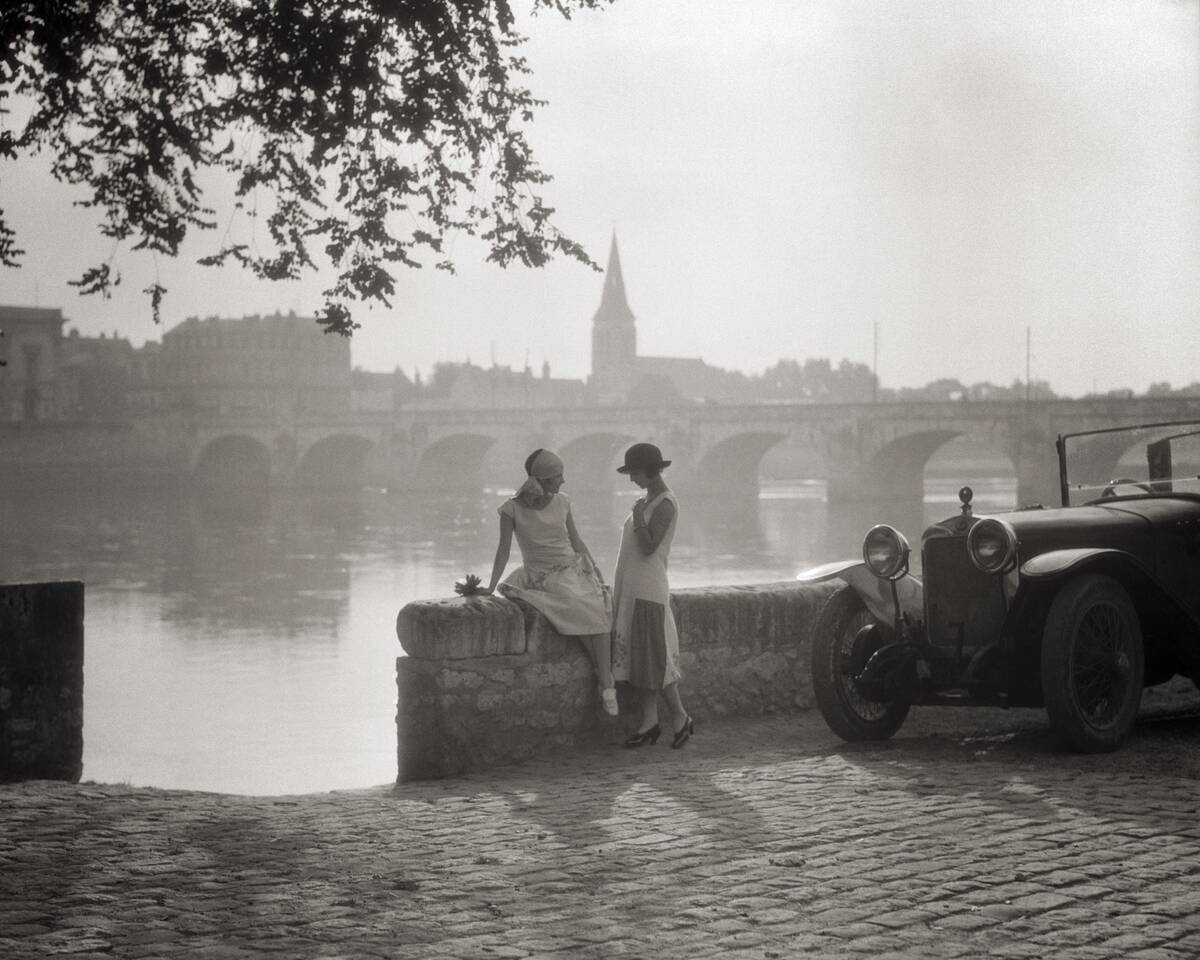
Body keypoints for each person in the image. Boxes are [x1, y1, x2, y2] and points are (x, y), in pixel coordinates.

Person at [482, 448, 618, 716]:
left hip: (573, 569)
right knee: (583, 606)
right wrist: (490, 585)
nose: (563, 481)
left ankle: (604, 680)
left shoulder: (563, 501)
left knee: (598, 608)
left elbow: (576, 541)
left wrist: (596, 570)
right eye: (558, 476)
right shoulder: (511, 509)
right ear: (543, 479)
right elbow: (503, 551)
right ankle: (607, 681)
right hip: (541, 575)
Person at [611, 442, 694, 748]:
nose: (631, 479)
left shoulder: (665, 504)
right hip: (632, 587)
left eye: (634, 472)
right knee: (640, 658)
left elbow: (649, 547)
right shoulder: (646, 500)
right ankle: (650, 723)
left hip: (649, 588)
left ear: (649, 470)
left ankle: (680, 716)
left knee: (653, 658)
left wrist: (639, 517)